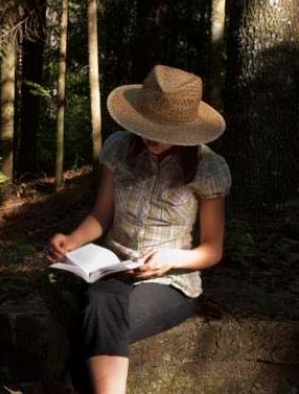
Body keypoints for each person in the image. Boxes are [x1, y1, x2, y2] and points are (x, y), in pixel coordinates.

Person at [45, 64, 232, 394]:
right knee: (102, 300)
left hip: (171, 281)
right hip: (112, 270)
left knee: (97, 314)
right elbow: (101, 215)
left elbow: (212, 249)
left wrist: (171, 258)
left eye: (163, 130)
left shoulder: (208, 167)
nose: (151, 137)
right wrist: (71, 241)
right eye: (146, 126)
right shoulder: (119, 148)